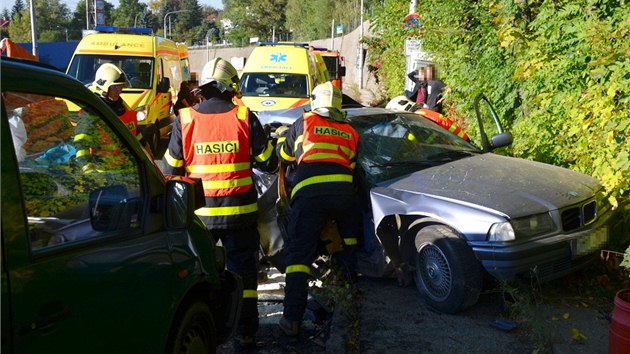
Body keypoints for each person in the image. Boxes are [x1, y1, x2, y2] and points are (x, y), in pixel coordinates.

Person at [162, 57, 277, 347]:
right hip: (241, 216)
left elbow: (169, 170)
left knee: (202, 275)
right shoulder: (244, 116)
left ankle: (208, 332)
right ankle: (245, 333)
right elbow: (269, 164)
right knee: (243, 275)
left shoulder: (185, 120)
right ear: (230, 87)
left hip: (199, 217)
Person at [275, 81, 361, 338]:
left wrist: (281, 137)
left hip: (310, 193)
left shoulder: (305, 121)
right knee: (348, 242)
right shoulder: (350, 130)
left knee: (298, 255)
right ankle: (348, 295)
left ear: (315, 102)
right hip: (344, 194)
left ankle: (292, 319)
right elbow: (352, 165)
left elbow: (285, 157)